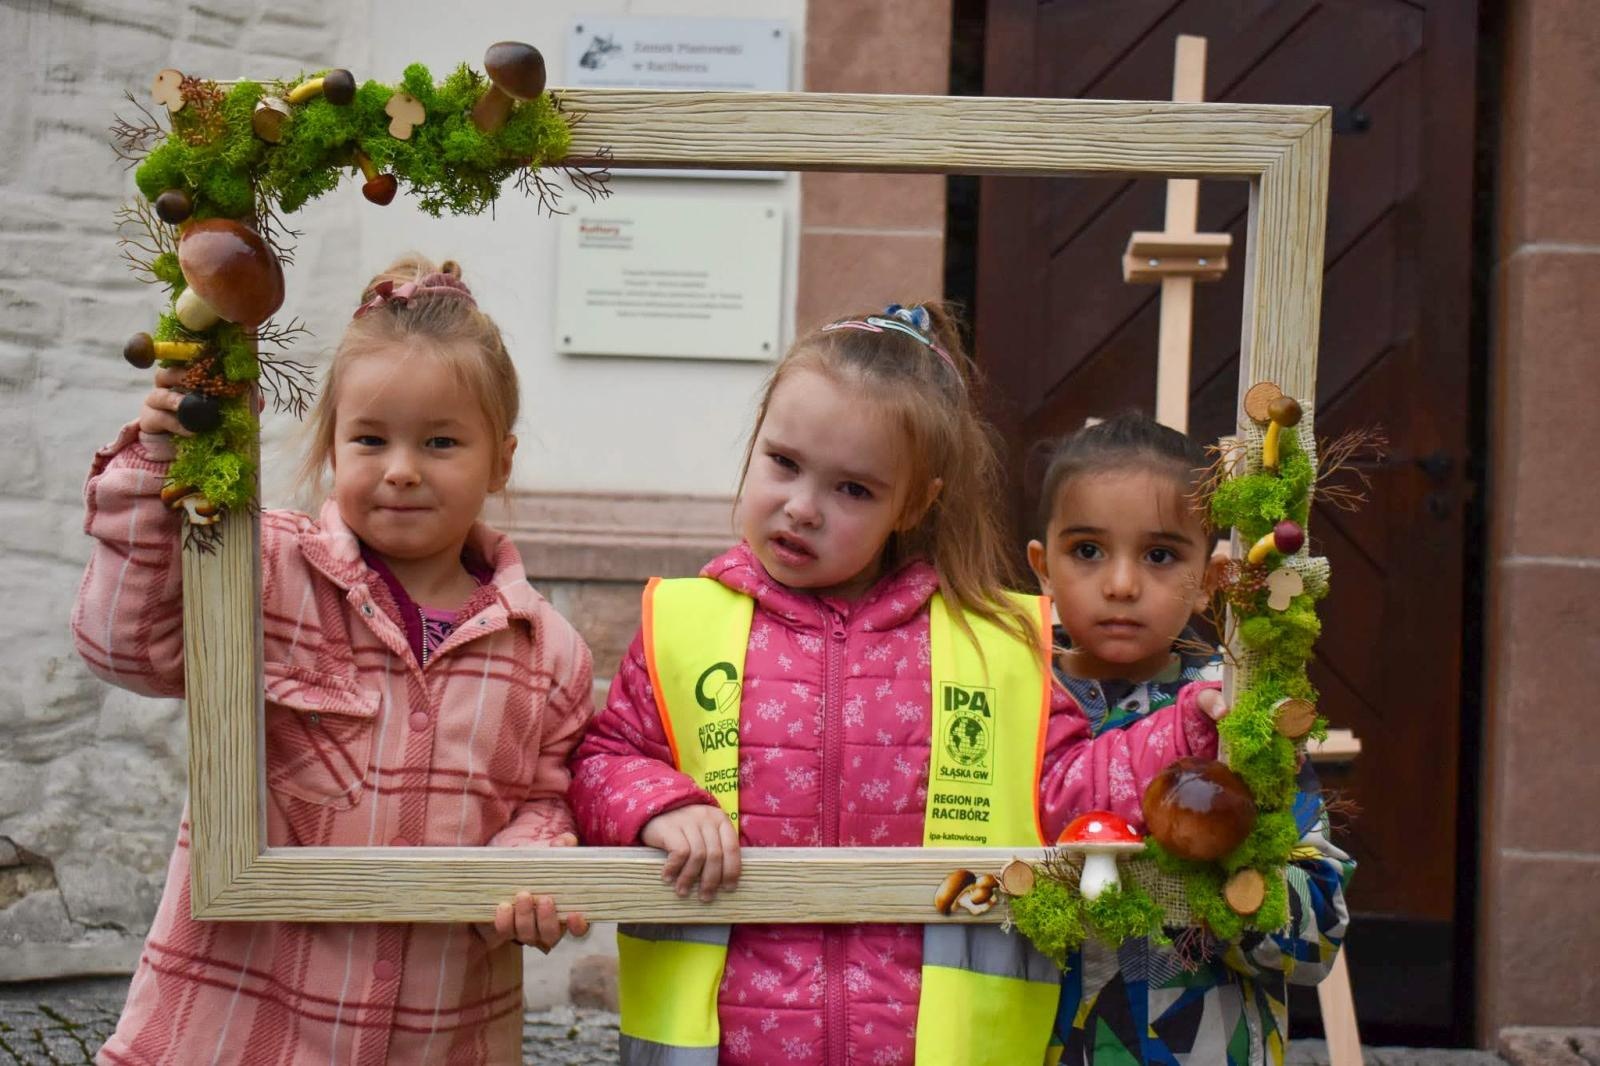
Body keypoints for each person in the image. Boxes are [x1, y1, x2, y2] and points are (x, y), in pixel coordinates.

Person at [569, 305, 1228, 1065]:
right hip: (732, 1044)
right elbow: (599, 763)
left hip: (932, 1046)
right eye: (782, 462)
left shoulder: (993, 643)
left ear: (912, 504)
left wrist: (1190, 729)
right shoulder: (682, 626)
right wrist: (660, 806)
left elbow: (1071, 790)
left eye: (852, 489)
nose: (802, 507)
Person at [72, 256, 591, 1065]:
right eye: (370, 439)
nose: (401, 469)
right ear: (330, 446)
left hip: (438, 1031)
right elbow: (125, 647)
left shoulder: (547, 651)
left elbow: (549, 798)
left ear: (501, 461)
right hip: (241, 1022)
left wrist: (533, 856)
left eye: (442, 441)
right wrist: (157, 473)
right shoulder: (263, 568)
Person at [1025, 411, 1354, 1065]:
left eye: (1160, 554)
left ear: (1210, 578)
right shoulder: (1015, 703)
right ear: (1043, 568)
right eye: (1087, 550)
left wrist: (1226, 876)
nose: (1121, 583)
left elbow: (1318, 934)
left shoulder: (1238, 716)